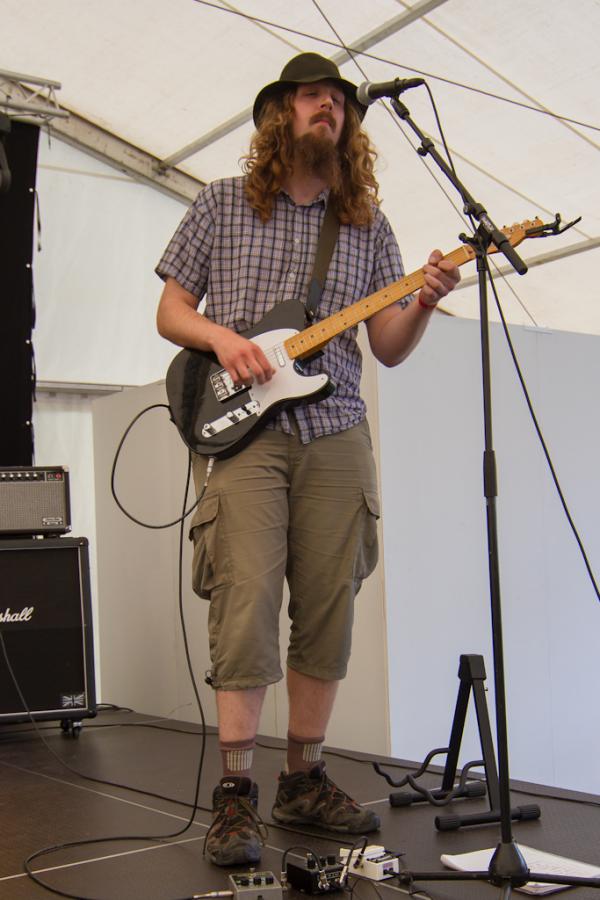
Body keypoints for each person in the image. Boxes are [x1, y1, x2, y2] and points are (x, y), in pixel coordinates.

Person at [155, 52, 460, 867]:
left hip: (338, 432)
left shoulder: (367, 225)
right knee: (246, 597)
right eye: (314, 95)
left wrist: (422, 300)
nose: (330, 106)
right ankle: (235, 796)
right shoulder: (221, 203)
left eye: (340, 101)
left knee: (329, 603)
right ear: (281, 112)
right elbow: (170, 309)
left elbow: (386, 348)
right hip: (248, 439)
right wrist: (224, 338)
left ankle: (306, 778)